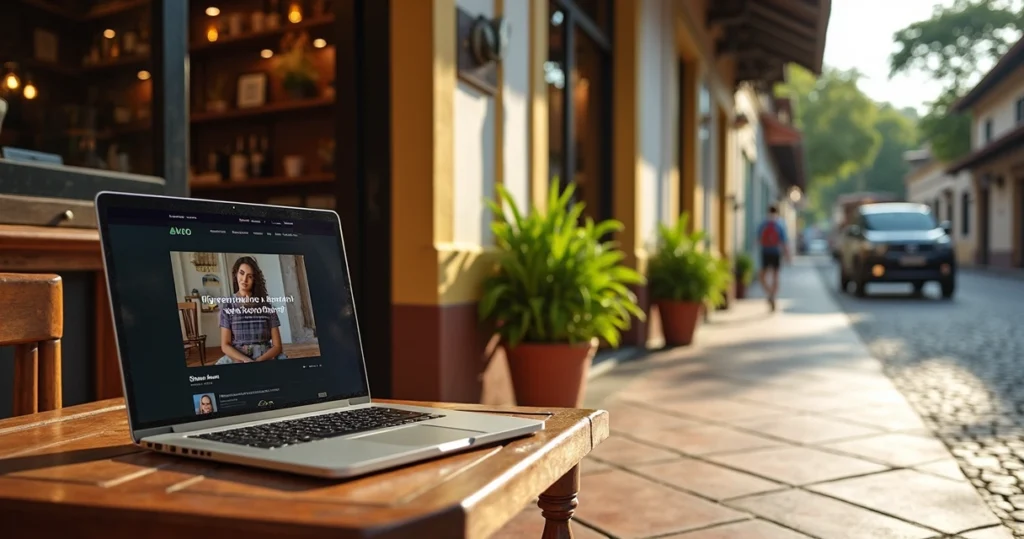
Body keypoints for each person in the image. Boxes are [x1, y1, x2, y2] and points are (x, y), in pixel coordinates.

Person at [214, 256, 288, 365]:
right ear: (236, 274)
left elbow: (277, 346)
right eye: (241, 273)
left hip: (265, 356)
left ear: (254, 280)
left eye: (250, 276)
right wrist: (246, 360)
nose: (244, 279)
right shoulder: (228, 306)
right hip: (238, 357)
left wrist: (258, 362)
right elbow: (225, 345)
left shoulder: (267, 306)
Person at [755, 205, 790, 311]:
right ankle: (773, 295)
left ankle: (769, 292)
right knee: (775, 276)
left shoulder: (763, 223)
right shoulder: (780, 224)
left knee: (762, 276)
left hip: (765, 252)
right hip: (776, 252)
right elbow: (784, 241)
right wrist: (787, 255)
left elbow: (757, 240)